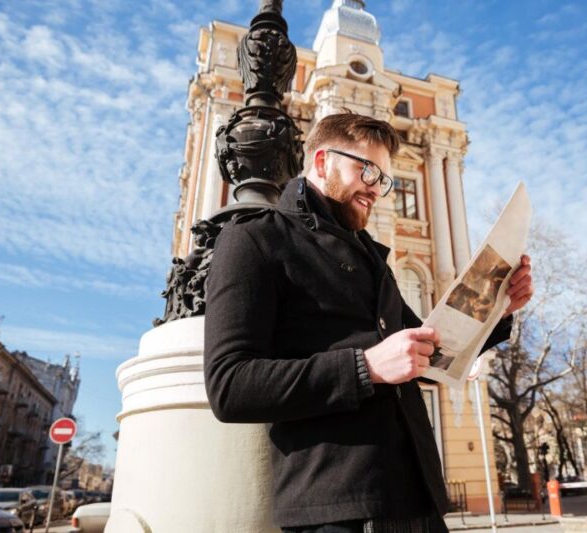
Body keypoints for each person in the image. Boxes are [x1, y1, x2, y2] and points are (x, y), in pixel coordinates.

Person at [204, 113, 534, 532]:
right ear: (322, 162)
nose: (377, 189)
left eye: (385, 180)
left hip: (421, 502)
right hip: (338, 508)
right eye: (368, 170)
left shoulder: (373, 259)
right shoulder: (255, 238)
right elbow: (230, 386)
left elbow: (433, 354)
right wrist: (366, 366)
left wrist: (497, 311)